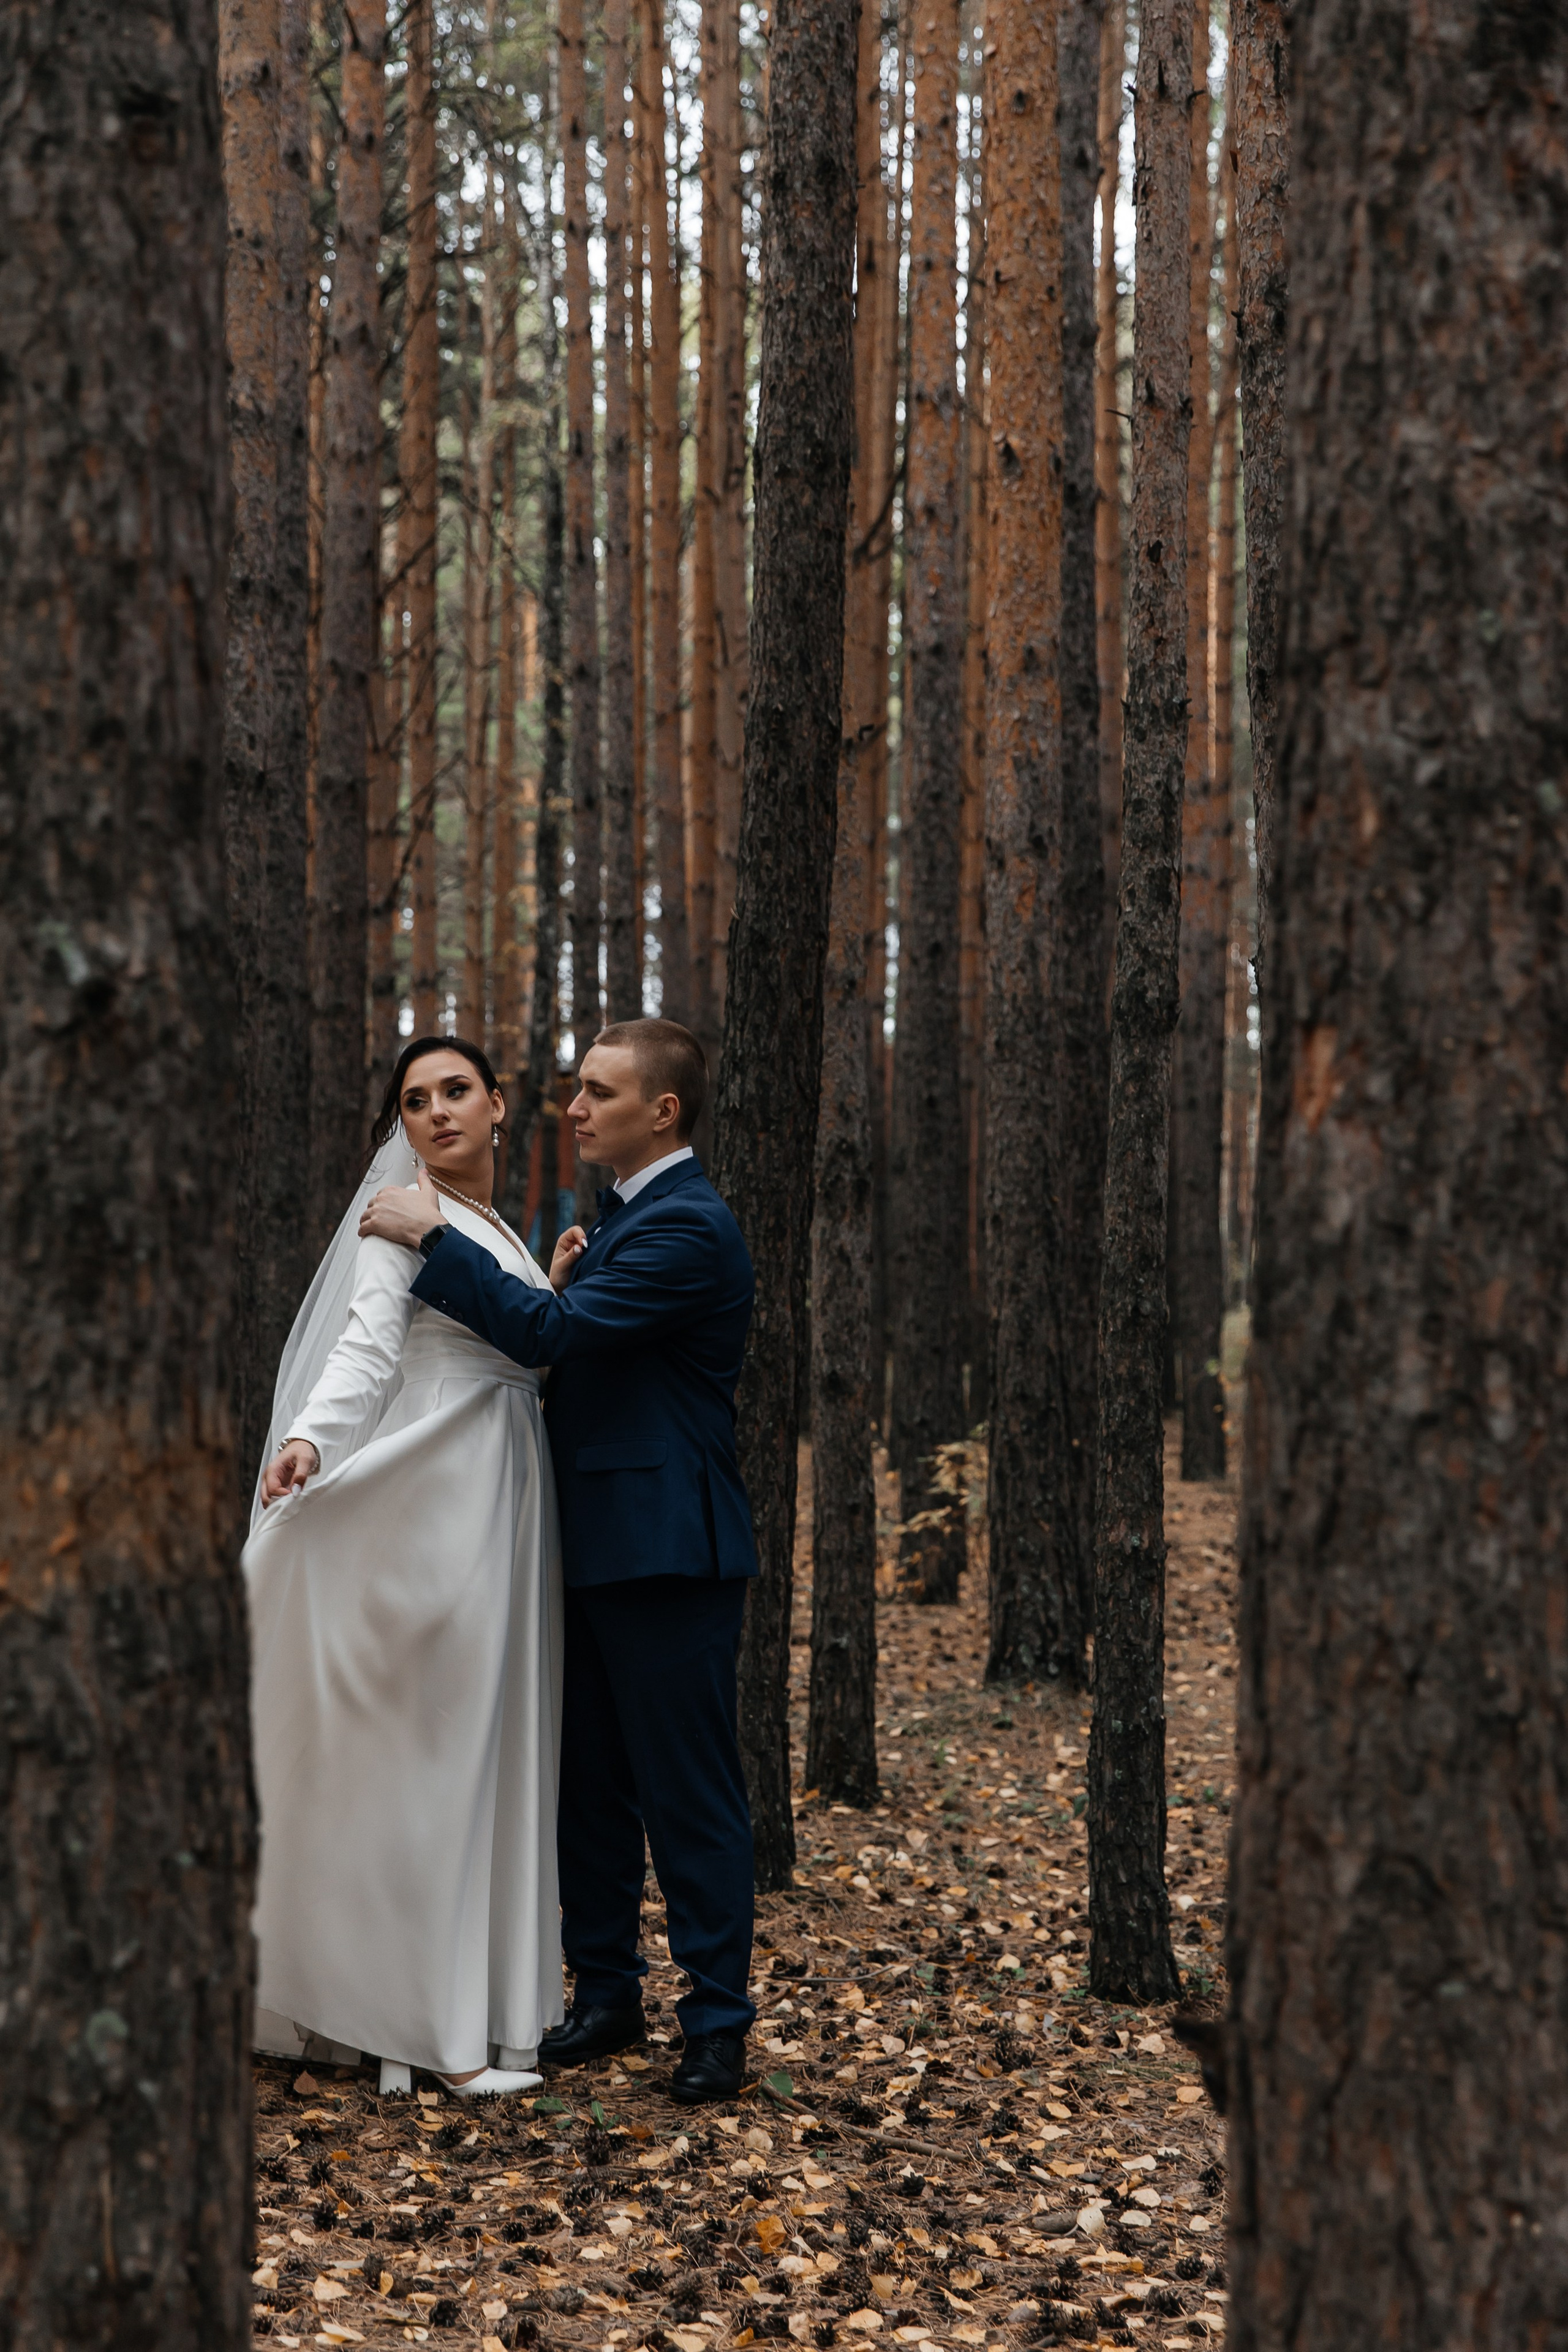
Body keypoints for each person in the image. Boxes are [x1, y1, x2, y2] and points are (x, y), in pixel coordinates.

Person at [359, 1017, 758, 2104]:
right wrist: (562, 1275)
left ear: (661, 1111)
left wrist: (429, 1240)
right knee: (587, 1788)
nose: (573, 1109)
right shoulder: (620, 1220)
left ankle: (717, 2023)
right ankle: (608, 1996)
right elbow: (568, 1332)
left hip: (669, 1549)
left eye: (598, 1093)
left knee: (689, 1796)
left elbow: (552, 1340)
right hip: (583, 1545)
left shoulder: (689, 1226)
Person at [244, 1038, 564, 2098]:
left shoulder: (493, 1229)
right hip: (441, 1492)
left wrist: (547, 1281)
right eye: (415, 1100)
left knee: (479, 1745)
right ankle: (435, 2034)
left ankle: (448, 2011)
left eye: (455, 1091)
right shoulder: (398, 1216)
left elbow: (524, 1337)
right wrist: (310, 1443)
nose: (436, 1113)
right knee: (442, 1751)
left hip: (505, 1489)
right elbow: (369, 1348)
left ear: (499, 1106)